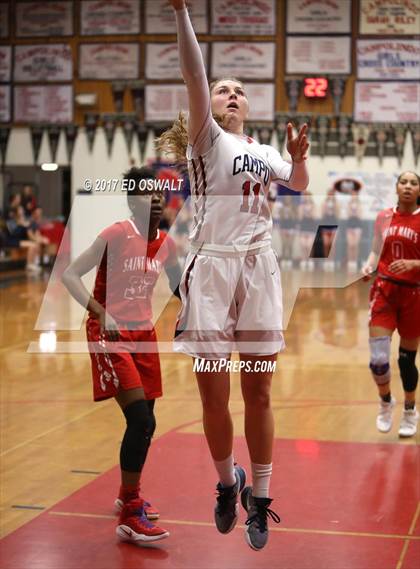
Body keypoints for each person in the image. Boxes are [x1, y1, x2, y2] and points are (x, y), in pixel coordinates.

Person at [160, 1, 309, 551]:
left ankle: (261, 498)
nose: (229, 94)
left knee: (260, 390)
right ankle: (229, 483)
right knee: (213, 395)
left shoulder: (265, 150)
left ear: (248, 105)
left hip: (259, 269)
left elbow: (298, 183)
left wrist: (297, 159)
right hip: (212, 271)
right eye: (223, 89)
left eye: (238, 90)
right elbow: (193, 71)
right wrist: (180, 11)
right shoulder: (206, 138)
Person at [62, 167, 182, 544]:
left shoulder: (167, 243)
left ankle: (127, 494)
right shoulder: (115, 234)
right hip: (109, 333)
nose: (157, 198)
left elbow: (181, 287)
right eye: (148, 193)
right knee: (140, 420)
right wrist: (100, 311)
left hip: (143, 335)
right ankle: (130, 512)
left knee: (150, 422)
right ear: (133, 202)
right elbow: (69, 274)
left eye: (159, 192)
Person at [362, 171, 420, 438]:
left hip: (413, 296)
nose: (408, 186)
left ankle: (410, 409)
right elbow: (376, 249)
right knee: (378, 360)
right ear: (396, 187)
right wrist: (369, 265)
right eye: (403, 182)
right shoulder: (383, 217)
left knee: (406, 362)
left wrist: (414, 264)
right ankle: (386, 401)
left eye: (413, 183)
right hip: (384, 291)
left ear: (419, 190)